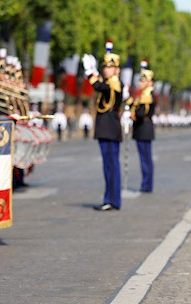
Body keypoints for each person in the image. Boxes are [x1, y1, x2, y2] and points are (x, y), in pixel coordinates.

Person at [83, 41, 123, 211]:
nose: (106, 69)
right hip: (107, 128)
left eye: (109, 67)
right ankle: (112, 199)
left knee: (111, 166)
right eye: (105, 67)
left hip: (109, 128)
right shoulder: (111, 82)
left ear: (117, 70)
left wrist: (90, 72)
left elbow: (100, 87)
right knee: (109, 165)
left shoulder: (113, 83)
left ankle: (112, 200)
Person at [130, 60, 156, 193]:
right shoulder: (144, 95)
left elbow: (141, 113)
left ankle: (147, 184)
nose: (141, 83)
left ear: (149, 82)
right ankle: (146, 183)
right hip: (143, 129)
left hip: (144, 128)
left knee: (145, 159)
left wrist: (132, 113)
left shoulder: (148, 95)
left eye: (143, 81)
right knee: (144, 158)